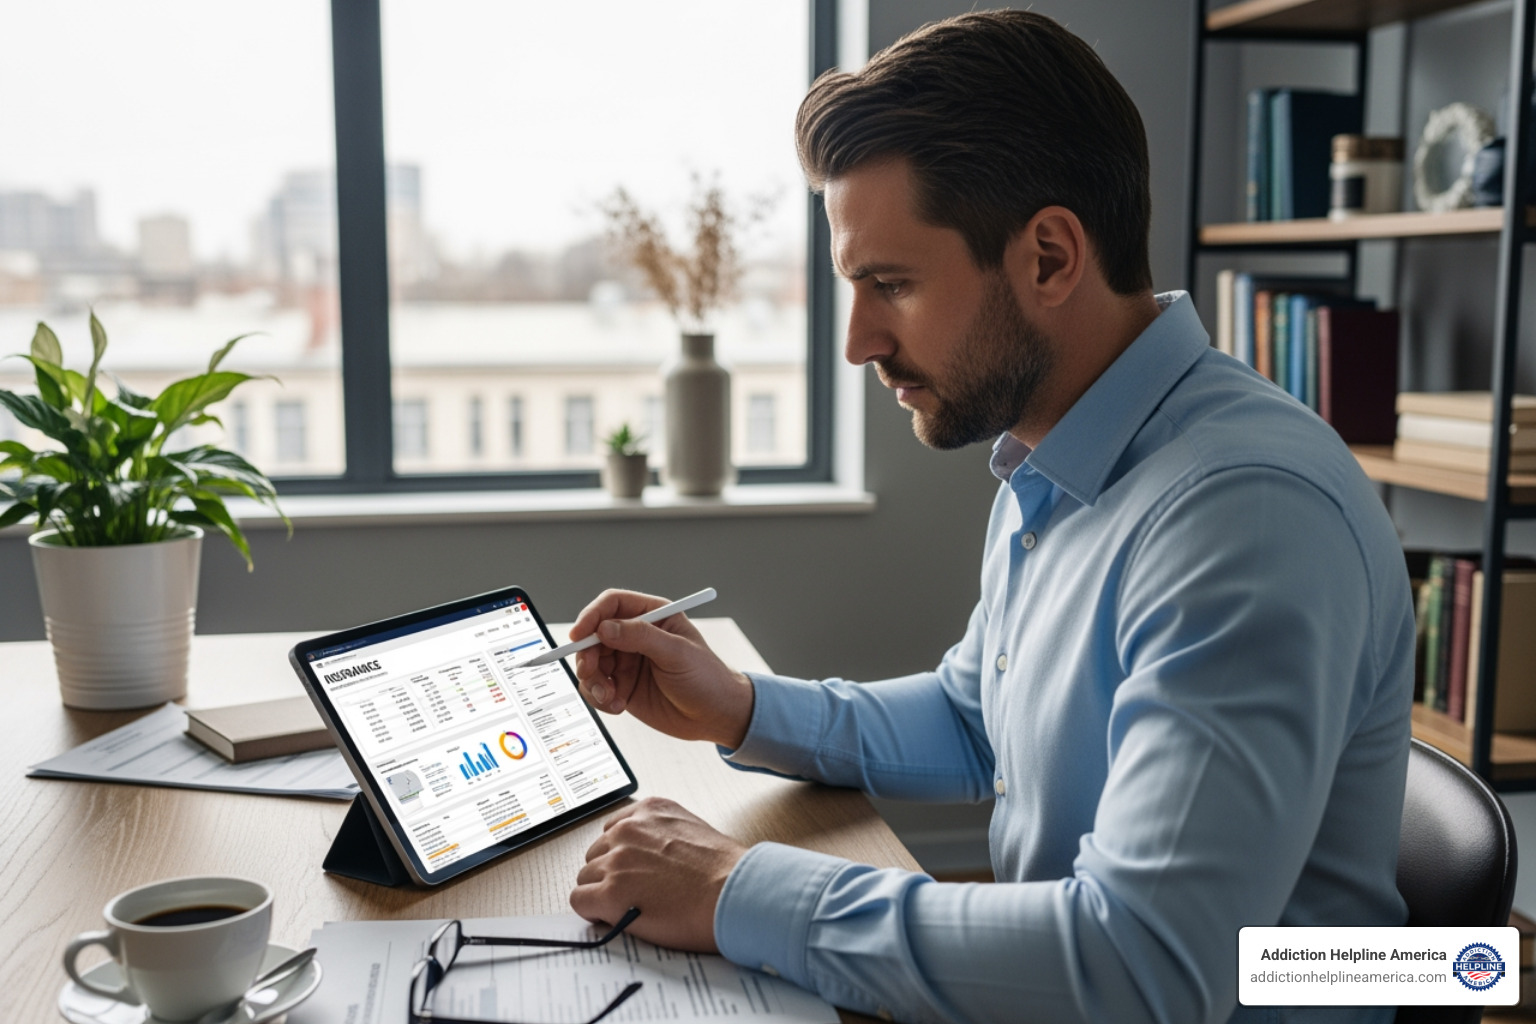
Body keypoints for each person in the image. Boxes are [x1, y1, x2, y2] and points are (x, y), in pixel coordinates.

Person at [565, 10, 1415, 1024]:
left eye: (890, 284)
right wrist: (740, 707)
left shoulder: (1243, 520)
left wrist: (732, 889)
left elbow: (1142, 966)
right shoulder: (1056, 457)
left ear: (1050, 257)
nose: (857, 341)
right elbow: (979, 721)